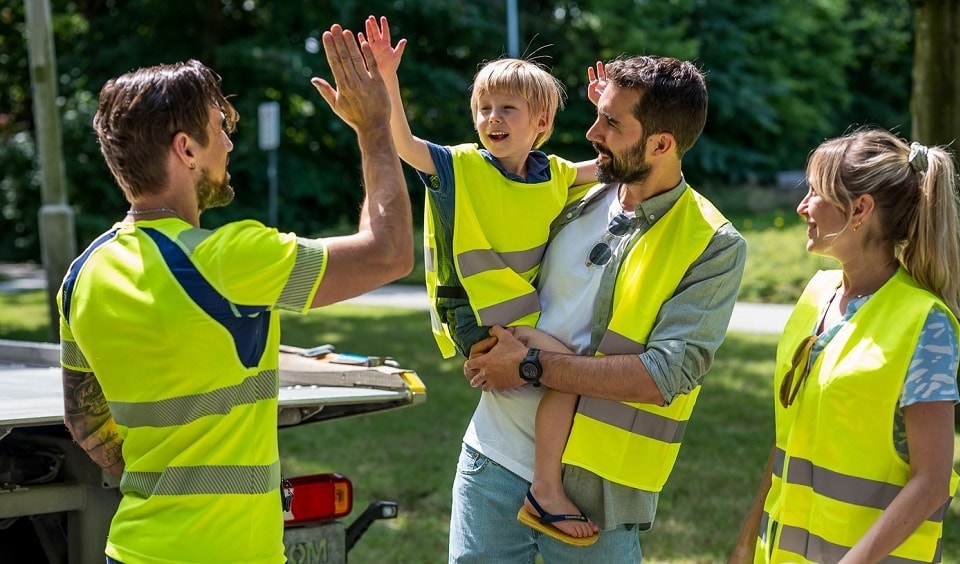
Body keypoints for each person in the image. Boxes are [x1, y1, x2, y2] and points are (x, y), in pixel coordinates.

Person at [58, 25, 412, 564]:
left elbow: (83, 419)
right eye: (218, 129)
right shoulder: (230, 259)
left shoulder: (82, 276)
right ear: (186, 150)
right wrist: (374, 129)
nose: (228, 142)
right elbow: (390, 251)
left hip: (132, 550)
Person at [458, 55, 748, 562]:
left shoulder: (712, 243)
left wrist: (527, 364)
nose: (593, 131)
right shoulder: (573, 192)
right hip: (492, 460)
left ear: (660, 144)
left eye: (611, 122)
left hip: (594, 496)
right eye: (599, 114)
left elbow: (664, 375)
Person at [729, 128, 960, 564]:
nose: (802, 206)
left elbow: (931, 481)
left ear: (860, 209)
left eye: (815, 192)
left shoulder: (925, 324)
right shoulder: (817, 293)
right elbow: (788, 442)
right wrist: (747, 543)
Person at [362, 16, 597, 363]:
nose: (493, 117)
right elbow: (405, 145)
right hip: (472, 315)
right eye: (484, 109)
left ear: (542, 122)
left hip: (526, 311)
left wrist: (606, 111)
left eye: (507, 108)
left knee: (566, 374)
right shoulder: (459, 166)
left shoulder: (552, 173)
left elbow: (609, 166)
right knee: (574, 369)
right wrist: (388, 78)